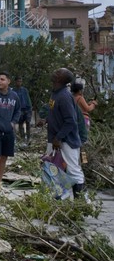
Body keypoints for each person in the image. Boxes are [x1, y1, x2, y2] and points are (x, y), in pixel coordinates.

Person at [46, 68, 85, 197]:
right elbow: (58, 114)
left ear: (61, 79)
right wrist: (46, 119)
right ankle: (61, 200)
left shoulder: (64, 96)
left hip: (67, 140)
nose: (54, 72)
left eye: (57, 72)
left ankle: (81, 203)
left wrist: (58, 138)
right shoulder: (55, 93)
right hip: (55, 139)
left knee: (73, 171)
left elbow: (70, 121)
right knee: (54, 169)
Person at [13, 77, 32, 143]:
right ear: (15, 82)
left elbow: (28, 99)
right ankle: (23, 138)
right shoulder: (13, 91)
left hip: (27, 109)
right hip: (19, 110)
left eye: (20, 81)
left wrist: (30, 108)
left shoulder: (24, 90)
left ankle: (28, 138)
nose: (19, 83)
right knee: (20, 124)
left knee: (28, 123)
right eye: (18, 81)